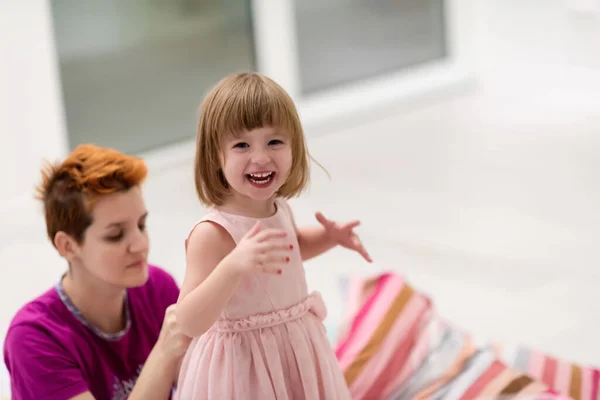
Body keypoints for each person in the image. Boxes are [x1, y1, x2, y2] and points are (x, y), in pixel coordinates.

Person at [174, 72, 373, 399]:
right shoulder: (212, 233)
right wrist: (233, 266)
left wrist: (327, 238)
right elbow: (188, 321)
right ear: (215, 157)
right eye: (241, 145)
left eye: (275, 142)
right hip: (244, 369)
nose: (261, 157)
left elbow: (286, 249)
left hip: (294, 351)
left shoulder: (277, 207)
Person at [3, 144, 190, 400]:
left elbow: (204, 383)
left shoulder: (157, 287)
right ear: (68, 246)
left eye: (141, 225)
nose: (141, 244)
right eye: (115, 235)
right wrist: (165, 353)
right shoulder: (33, 338)